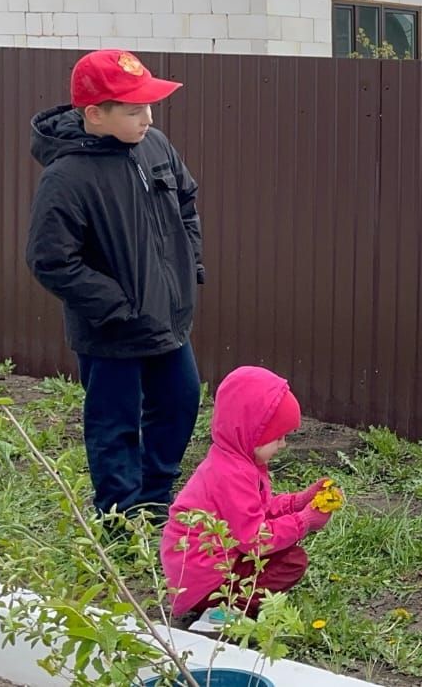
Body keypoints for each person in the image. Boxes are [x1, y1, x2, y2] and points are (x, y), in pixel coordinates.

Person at [26, 49, 205, 522]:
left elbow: (186, 201)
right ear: (95, 114)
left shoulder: (155, 146)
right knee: (114, 424)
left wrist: (190, 266)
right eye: (133, 109)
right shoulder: (65, 177)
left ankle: (153, 500)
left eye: (149, 106)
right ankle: (119, 521)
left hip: (167, 315)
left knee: (181, 400)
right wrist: (117, 305)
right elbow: (50, 259)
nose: (147, 117)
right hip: (111, 330)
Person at [161, 366, 337, 633]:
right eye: (277, 437)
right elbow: (255, 540)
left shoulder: (234, 460)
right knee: (291, 562)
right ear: (252, 432)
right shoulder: (232, 475)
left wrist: (300, 501)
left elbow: (258, 511)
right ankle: (223, 612)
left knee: (286, 557)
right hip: (204, 580)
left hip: (201, 572)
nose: (283, 444)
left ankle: (224, 603)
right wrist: (304, 521)